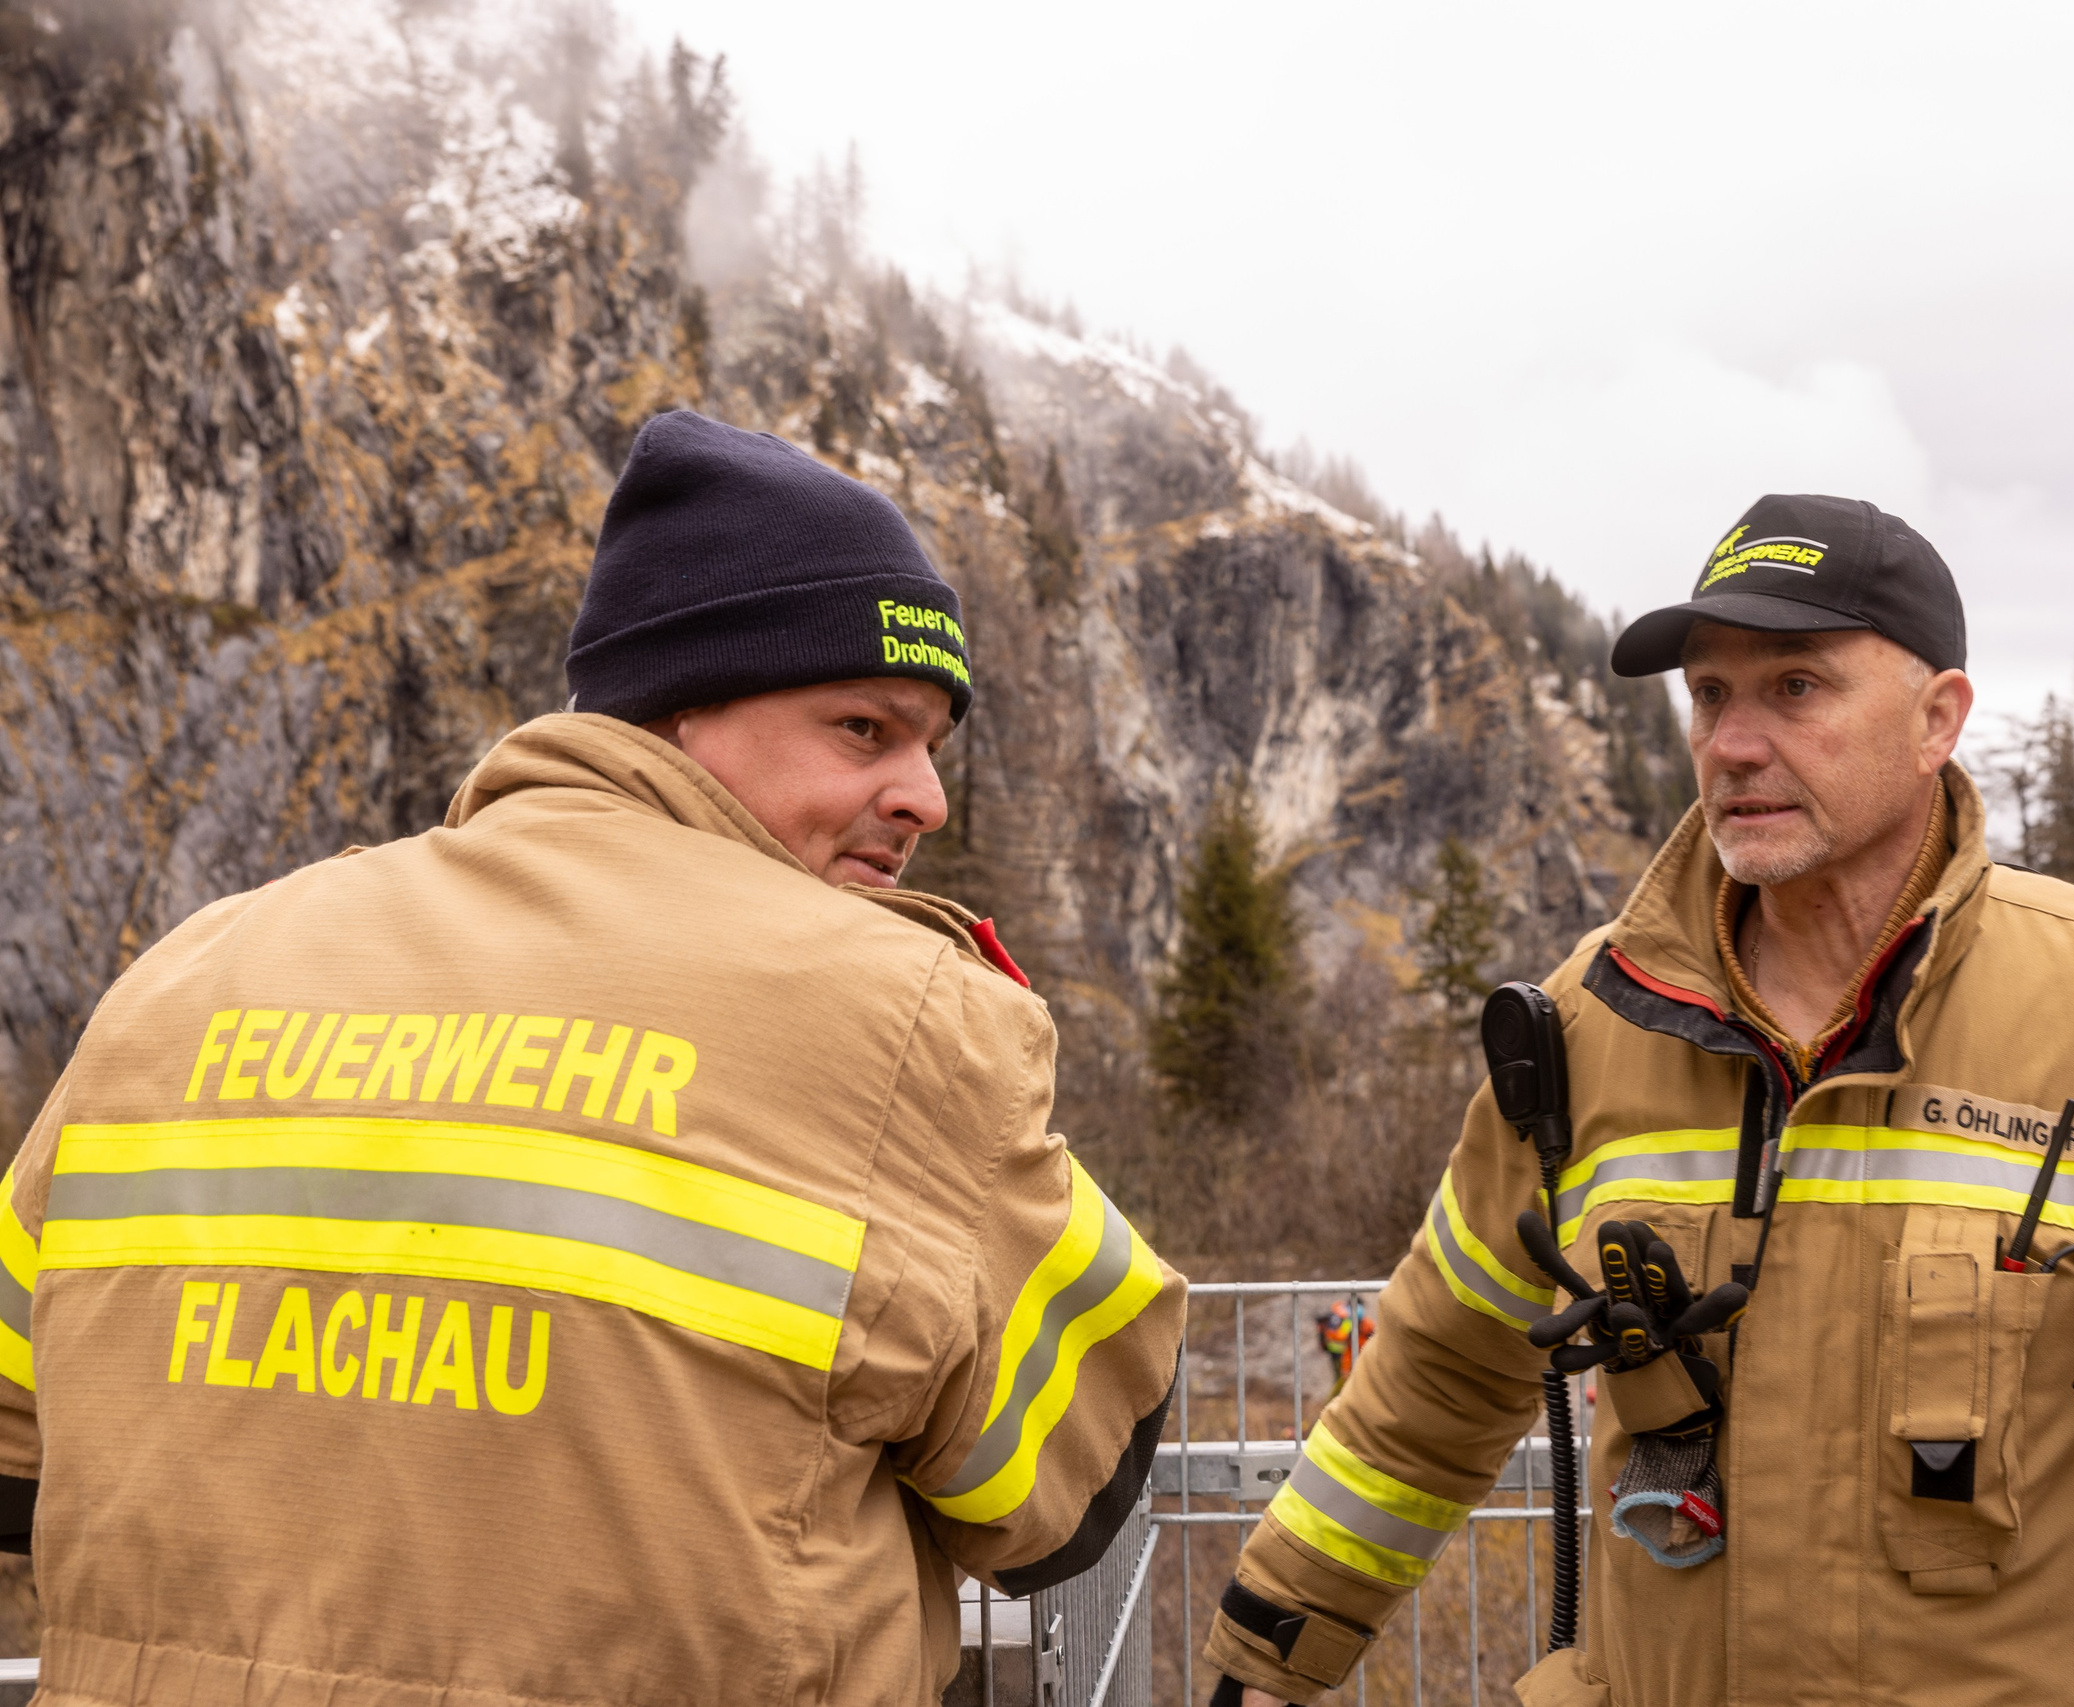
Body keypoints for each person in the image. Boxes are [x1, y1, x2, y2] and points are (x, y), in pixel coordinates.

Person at [1204, 493, 2074, 1706]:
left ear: (1938, 719)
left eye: (1796, 688)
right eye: (1709, 696)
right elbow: (1436, 1377)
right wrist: (1266, 1657)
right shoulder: (1582, 1032)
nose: (1734, 743)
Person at [0, 410, 1185, 1707]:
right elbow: (1081, 1481)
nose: (926, 797)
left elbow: (20, 1450)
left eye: (931, 747)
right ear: (681, 712)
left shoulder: (182, 979)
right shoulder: (896, 1022)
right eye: (865, 728)